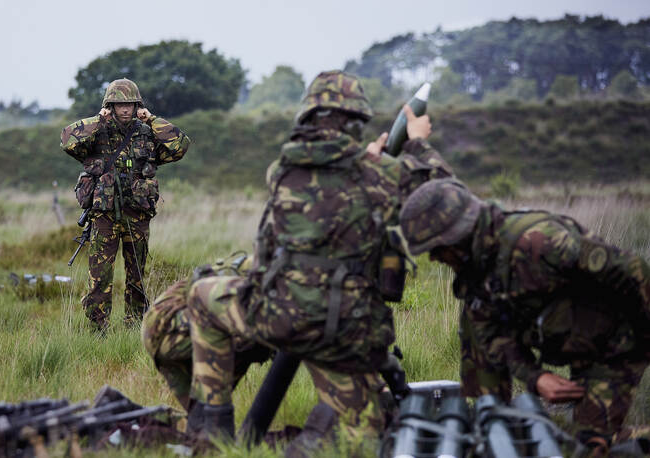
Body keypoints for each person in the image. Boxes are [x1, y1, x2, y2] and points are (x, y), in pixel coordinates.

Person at [184, 70, 453, 453]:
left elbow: (332, 173)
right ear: (356, 124)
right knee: (364, 439)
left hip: (275, 315)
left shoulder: (281, 170)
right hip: (341, 332)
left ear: (307, 118)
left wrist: (369, 159)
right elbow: (444, 194)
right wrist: (417, 144)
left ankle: (211, 436)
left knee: (201, 296)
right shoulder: (380, 175)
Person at [398, 179, 650, 454]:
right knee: (473, 327)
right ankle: (494, 423)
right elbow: (492, 339)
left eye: (435, 249)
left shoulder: (539, 242)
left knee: (589, 448)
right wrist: (536, 378)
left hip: (616, 345)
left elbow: (633, 271)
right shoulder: (476, 271)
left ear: (455, 236)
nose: (434, 259)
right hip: (579, 347)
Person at [60, 78, 191, 331]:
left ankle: (135, 327)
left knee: (137, 277)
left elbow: (180, 145)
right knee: (99, 278)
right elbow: (67, 139)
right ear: (109, 105)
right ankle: (97, 329)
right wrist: (99, 119)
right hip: (104, 218)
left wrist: (151, 119)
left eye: (130, 104)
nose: (125, 109)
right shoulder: (96, 134)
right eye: (119, 104)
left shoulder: (146, 133)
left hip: (137, 217)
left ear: (137, 105)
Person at [142, 253, 272, 412]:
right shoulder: (259, 274)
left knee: (198, 420)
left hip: (171, 329)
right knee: (252, 340)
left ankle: (122, 417)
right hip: (165, 326)